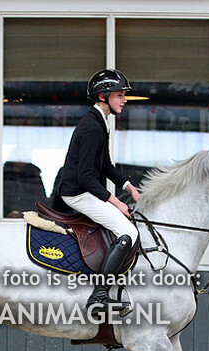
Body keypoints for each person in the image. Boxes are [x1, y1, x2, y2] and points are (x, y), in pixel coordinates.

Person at [53, 68, 142, 316]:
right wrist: (115, 202)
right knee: (127, 231)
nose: (124, 99)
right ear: (103, 96)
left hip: (85, 188)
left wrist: (129, 188)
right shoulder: (92, 126)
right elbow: (85, 176)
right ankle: (100, 295)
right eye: (120, 95)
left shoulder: (100, 122)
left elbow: (104, 165)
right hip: (77, 193)